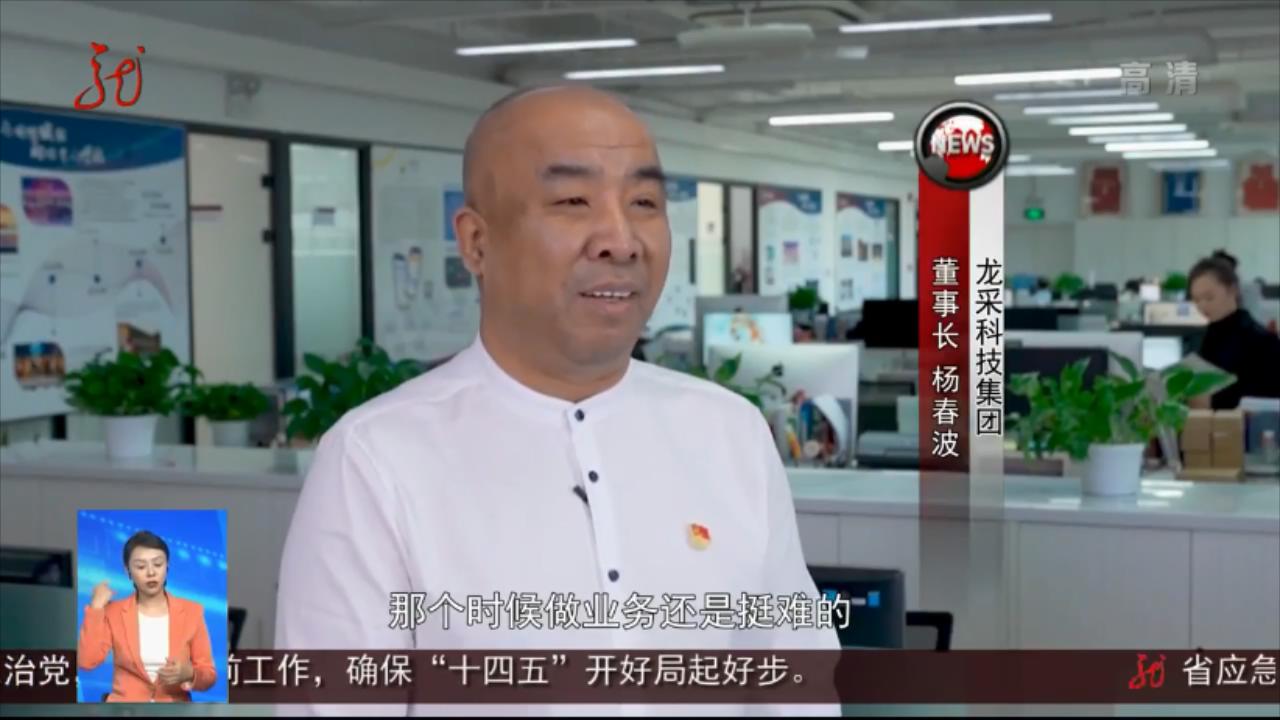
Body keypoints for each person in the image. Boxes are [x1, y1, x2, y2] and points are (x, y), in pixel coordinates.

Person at [275, 86, 838, 713]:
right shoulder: (375, 459)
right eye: (573, 201)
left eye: (645, 202)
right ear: (477, 243)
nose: (621, 240)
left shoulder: (729, 431)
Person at [77, 530, 217, 703]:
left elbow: (209, 675)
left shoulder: (192, 612)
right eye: (141, 566)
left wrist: (190, 674)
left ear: (167, 566)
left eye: (158, 564)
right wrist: (96, 608)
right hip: (126, 710)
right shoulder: (113, 612)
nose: (151, 572)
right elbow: (86, 661)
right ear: (128, 571)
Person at [1188, 250, 1280, 409]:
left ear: (1232, 290)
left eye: (1209, 297)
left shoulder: (1261, 340)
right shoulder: (1208, 335)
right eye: (1196, 300)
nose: (1202, 306)